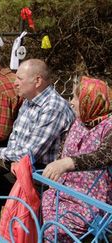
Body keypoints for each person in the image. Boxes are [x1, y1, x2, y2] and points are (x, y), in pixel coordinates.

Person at [0, 59, 75, 242]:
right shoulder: (29, 102)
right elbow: (15, 142)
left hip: (40, 176)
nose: (15, 82)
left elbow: (30, 153)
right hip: (19, 167)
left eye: (20, 78)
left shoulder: (53, 107)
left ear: (37, 81)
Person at [42, 76, 112, 242]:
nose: (71, 102)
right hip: (62, 193)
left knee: (55, 231)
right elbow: (63, 150)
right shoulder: (79, 121)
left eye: (75, 97)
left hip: (90, 204)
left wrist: (68, 163)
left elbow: (105, 155)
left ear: (90, 100)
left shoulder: (109, 126)